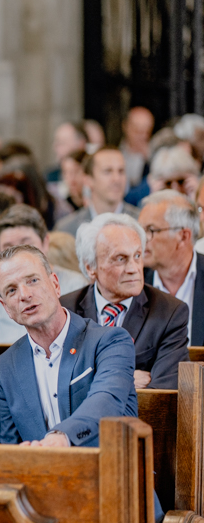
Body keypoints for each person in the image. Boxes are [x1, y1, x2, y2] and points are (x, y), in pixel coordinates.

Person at [0, 245, 138, 447]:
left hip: (108, 472)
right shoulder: (3, 369)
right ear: (6, 308)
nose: (24, 294)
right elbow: (10, 443)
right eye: (11, 290)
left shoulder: (110, 341)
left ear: (55, 284)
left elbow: (106, 401)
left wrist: (61, 437)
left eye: (32, 280)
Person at [60, 213, 188, 389]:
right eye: (120, 259)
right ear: (91, 267)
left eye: (137, 256)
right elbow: (56, 383)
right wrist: (123, 379)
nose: (134, 269)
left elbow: (163, 391)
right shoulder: (65, 311)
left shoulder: (170, 312)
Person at [0, 205, 88, 344]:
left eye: (26, 244)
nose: (18, 255)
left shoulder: (78, 286)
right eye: (8, 248)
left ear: (45, 242)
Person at [140, 190, 204, 346]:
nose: (141, 240)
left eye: (150, 230)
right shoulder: (134, 281)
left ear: (183, 237)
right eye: (139, 230)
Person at [54, 147, 139, 236]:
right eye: (108, 171)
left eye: (121, 171)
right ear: (88, 179)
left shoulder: (141, 223)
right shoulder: (66, 230)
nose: (117, 179)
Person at [120, 106, 155, 187]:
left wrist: (150, 159)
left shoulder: (153, 156)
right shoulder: (116, 153)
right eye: (138, 131)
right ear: (125, 127)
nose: (143, 136)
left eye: (147, 132)